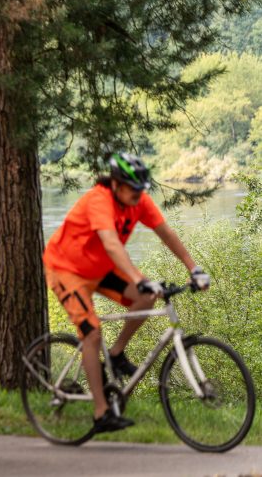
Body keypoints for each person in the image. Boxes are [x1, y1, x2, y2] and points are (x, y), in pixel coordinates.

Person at [43, 152, 210, 434]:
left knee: (146, 296)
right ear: (117, 184)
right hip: (66, 270)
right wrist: (137, 276)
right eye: (133, 189)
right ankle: (100, 413)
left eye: (141, 189)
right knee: (92, 334)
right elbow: (110, 244)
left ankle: (117, 354)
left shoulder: (139, 201)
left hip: (101, 270)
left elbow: (166, 233)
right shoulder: (99, 200)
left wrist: (194, 268)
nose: (138, 194)